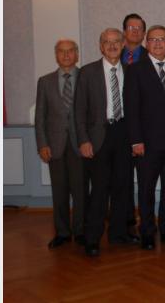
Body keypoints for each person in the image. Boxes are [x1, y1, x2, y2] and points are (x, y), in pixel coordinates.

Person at [75, 28, 137, 257]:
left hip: (123, 134)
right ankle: (92, 238)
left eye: (116, 42)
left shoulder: (131, 71)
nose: (112, 46)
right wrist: (83, 140)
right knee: (99, 190)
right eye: (107, 42)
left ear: (123, 45)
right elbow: (79, 111)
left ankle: (118, 233)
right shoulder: (88, 72)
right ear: (101, 46)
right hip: (98, 137)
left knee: (122, 187)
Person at [124, 25, 165, 250]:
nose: (158, 43)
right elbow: (131, 109)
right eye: (153, 40)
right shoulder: (135, 70)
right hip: (147, 143)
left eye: (162, 40)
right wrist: (136, 140)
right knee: (147, 189)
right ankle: (147, 232)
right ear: (146, 44)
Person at [34, 39, 85, 249]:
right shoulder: (45, 81)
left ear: (77, 54)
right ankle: (62, 232)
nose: (66, 55)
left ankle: (81, 231)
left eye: (70, 51)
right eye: (62, 52)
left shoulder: (86, 77)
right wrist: (42, 144)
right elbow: (40, 117)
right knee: (60, 191)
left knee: (81, 191)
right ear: (56, 55)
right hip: (55, 146)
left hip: (80, 144)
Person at [120, 12, 146, 233]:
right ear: (124, 32)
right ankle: (125, 218)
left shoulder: (152, 58)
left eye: (139, 28)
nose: (135, 31)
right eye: (131, 27)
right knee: (121, 177)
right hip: (118, 128)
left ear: (144, 33)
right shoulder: (113, 56)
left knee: (144, 178)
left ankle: (144, 220)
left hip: (144, 131)